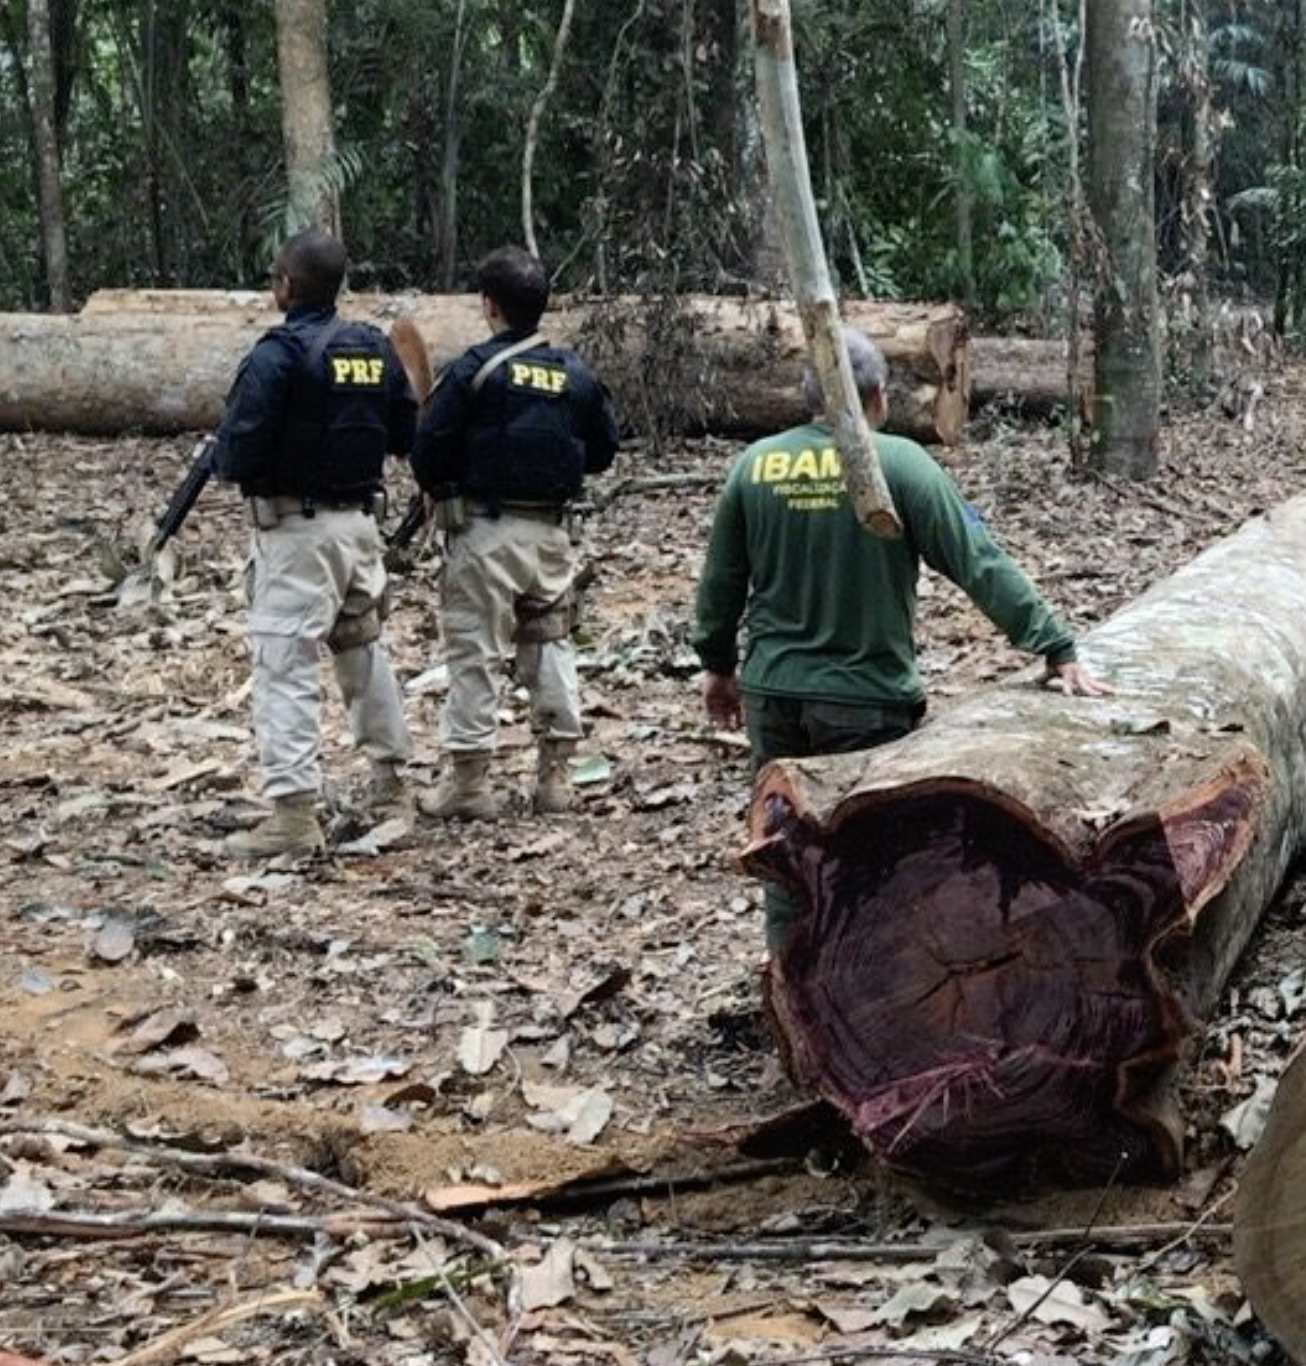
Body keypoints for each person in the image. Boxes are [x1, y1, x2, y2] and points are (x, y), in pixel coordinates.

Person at [693, 328, 1110, 948]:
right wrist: (1053, 644)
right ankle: (863, 998)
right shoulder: (900, 464)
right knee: (871, 860)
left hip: (774, 693)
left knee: (786, 848)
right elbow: (978, 562)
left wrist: (718, 668)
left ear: (810, 395)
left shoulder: (756, 466)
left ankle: (789, 974)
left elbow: (720, 584)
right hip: (865, 699)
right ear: (879, 396)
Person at [216, 229, 420, 858]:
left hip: (298, 535)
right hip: (359, 529)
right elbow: (403, 428)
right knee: (363, 652)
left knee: (285, 665)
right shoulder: (370, 348)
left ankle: (293, 815)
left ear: (286, 286)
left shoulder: (277, 355)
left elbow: (237, 450)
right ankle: (390, 785)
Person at [410, 246, 622, 819]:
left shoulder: (473, 370)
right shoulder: (573, 374)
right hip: (551, 535)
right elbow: (604, 448)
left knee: (475, 652)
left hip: (484, 534)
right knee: (550, 644)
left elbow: (427, 450)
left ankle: (471, 785)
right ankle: (555, 779)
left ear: (489, 306)